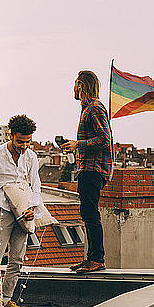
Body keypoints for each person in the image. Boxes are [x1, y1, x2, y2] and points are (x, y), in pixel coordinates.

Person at [0, 114, 41, 307]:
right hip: (1, 210)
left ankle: (7, 301)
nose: (23, 146)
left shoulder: (31, 157)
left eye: (27, 142)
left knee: (17, 259)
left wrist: (33, 208)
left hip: (24, 211)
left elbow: (36, 185)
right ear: (10, 135)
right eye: (19, 141)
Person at [62, 70, 114, 273]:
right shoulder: (88, 109)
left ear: (82, 85)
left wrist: (78, 144)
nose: (73, 88)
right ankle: (90, 258)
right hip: (88, 167)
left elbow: (105, 139)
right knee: (87, 213)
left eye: (75, 83)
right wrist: (75, 145)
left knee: (91, 214)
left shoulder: (94, 108)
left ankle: (97, 259)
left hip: (94, 169)